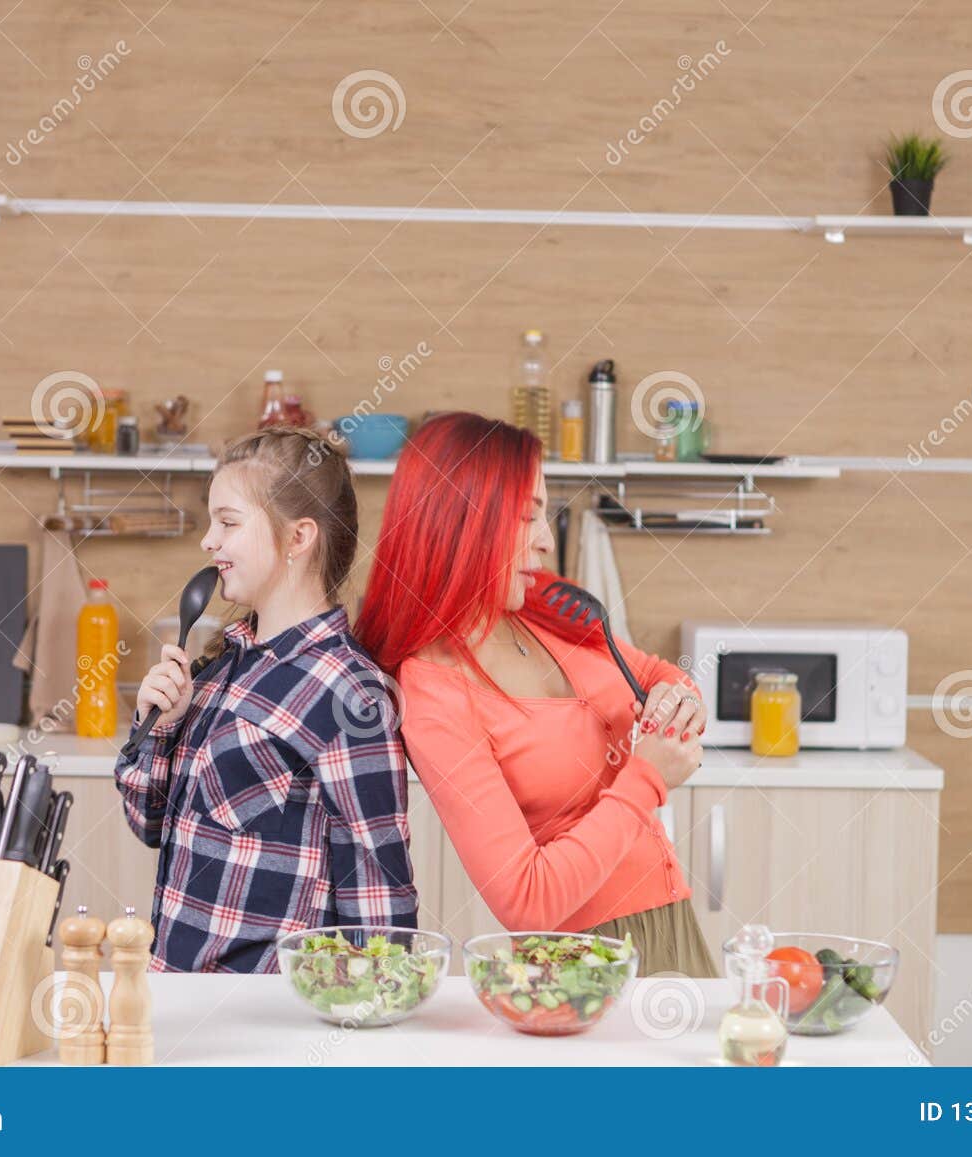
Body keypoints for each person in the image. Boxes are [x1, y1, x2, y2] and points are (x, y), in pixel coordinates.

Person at [355, 412, 716, 977]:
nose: (546, 540)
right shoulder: (433, 691)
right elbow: (525, 898)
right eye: (527, 517)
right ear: (461, 524)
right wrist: (648, 775)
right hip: (583, 965)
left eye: (543, 513)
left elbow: (656, 673)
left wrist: (680, 700)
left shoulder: (544, 608)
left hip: (672, 923)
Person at [115, 427, 417, 972]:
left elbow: (379, 899)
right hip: (180, 998)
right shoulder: (221, 666)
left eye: (228, 523)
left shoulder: (350, 694)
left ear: (299, 538)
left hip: (266, 1022)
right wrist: (157, 725)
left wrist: (371, 1025)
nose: (208, 541)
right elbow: (148, 824)